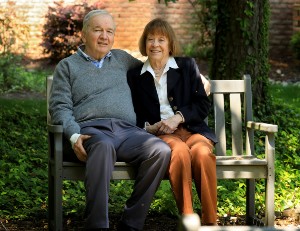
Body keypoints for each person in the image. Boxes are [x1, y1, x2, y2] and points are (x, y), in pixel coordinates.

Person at [49, 10, 172, 231]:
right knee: (103, 146)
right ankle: (97, 226)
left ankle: (131, 223)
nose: (104, 37)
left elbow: (156, 67)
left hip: (127, 132)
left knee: (160, 151)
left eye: (109, 31)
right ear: (84, 34)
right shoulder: (67, 67)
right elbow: (60, 107)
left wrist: (194, 75)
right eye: (98, 30)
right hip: (91, 131)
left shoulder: (122, 59)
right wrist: (74, 135)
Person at [127, 18, 218, 225]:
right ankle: (189, 220)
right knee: (179, 153)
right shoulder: (135, 76)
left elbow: (202, 105)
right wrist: (148, 128)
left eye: (161, 39)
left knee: (203, 154)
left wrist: (179, 117)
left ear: (170, 44)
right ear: (145, 43)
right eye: (150, 39)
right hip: (163, 134)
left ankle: (211, 223)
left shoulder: (186, 66)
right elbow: (132, 112)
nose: (155, 45)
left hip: (193, 130)